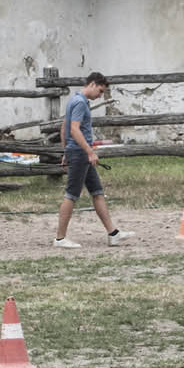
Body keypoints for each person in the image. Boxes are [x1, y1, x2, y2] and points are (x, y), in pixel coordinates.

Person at [53, 71, 129, 248]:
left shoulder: (75, 100)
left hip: (77, 152)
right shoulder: (80, 103)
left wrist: (66, 151)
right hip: (80, 153)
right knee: (71, 194)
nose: (100, 95)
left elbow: (64, 127)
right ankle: (60, 238)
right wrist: (89, 152)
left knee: (97, 191)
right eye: (100, 91)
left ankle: (113, 234)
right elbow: (74, 129)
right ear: (92, 84)